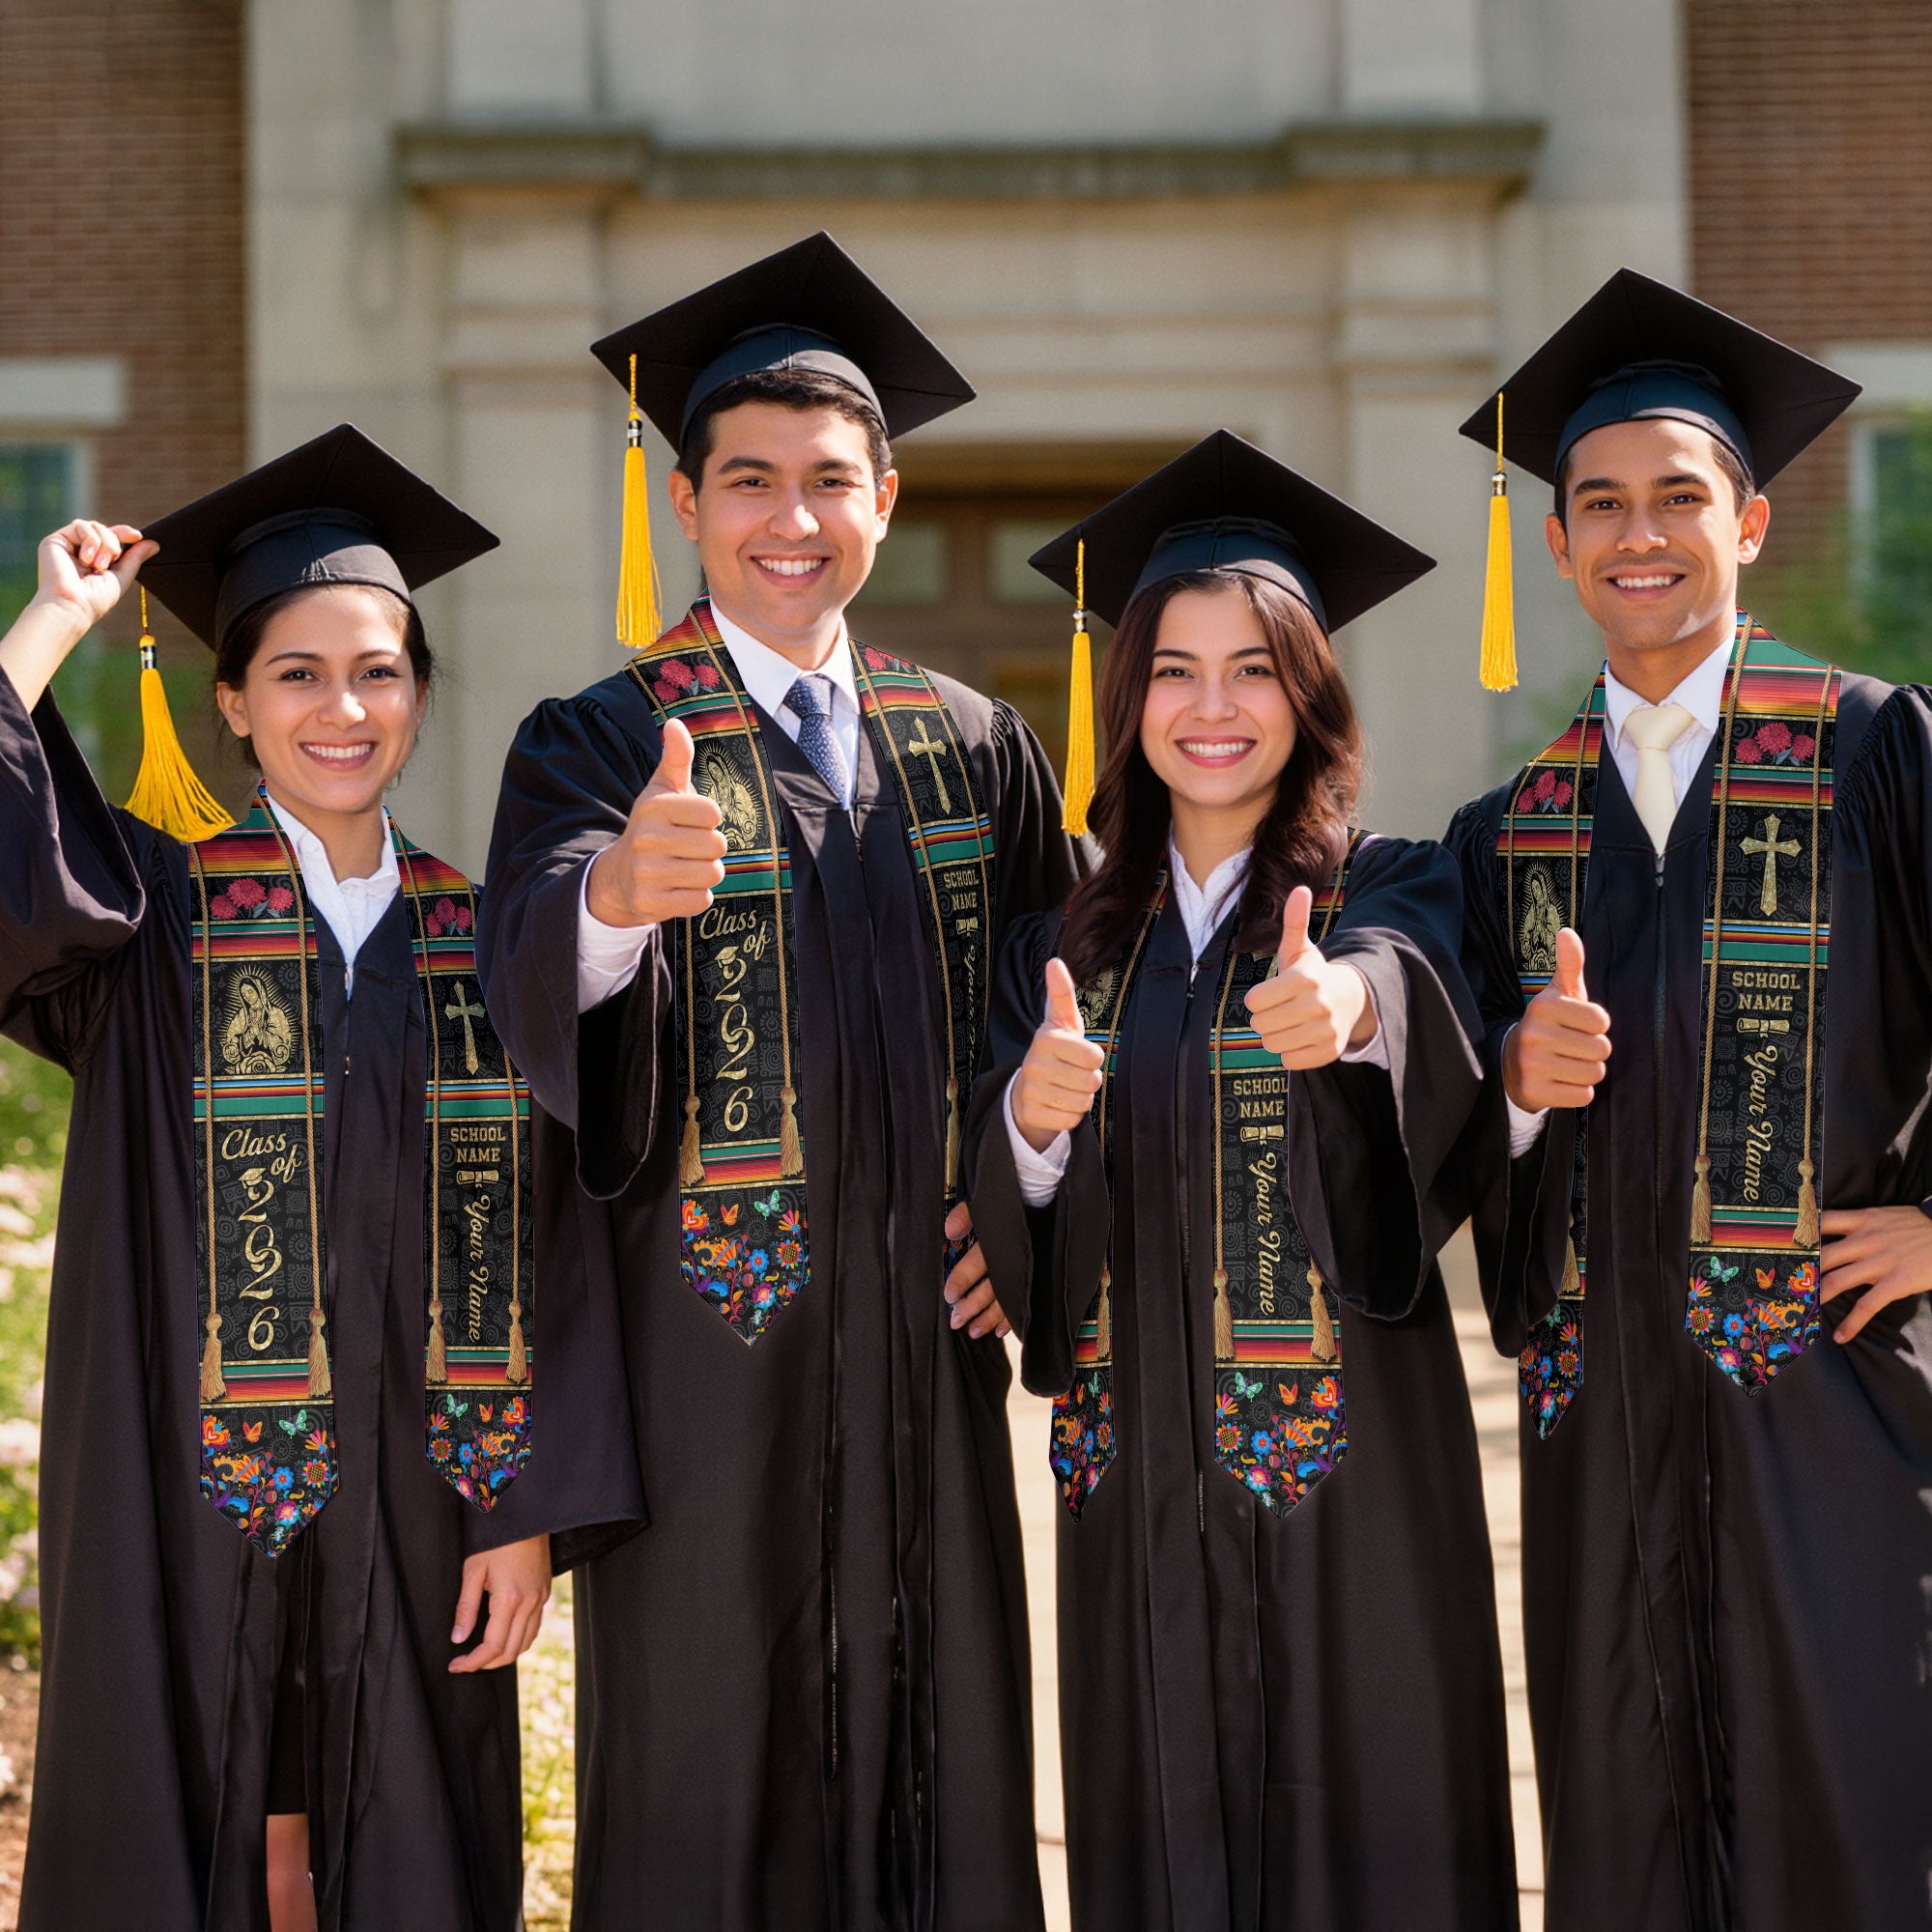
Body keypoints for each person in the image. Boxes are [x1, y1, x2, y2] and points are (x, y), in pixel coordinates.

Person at [477, 233, 1083, 1931]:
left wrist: (1026, 1208)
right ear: (687, 503)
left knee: (943, 1766)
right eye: (749, 482)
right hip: (707, 1376)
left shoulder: (970, 740)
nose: (790, 519)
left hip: (923, 1364)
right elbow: (522, 964)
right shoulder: (599, 739)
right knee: (709, 1784)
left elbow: (1076, 1013)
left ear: (886, 497)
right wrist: (609, 900)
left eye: (830, 481)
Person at [0, 425, 640, 1932]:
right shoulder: (149, 921)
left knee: (407, 1840)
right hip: (183, 1488)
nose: (341, 708)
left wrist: (527, 1509)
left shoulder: (490, 942)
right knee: (194, 1815)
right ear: (231, 701)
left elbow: (563, 1244)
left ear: (419, 694)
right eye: (295, 673)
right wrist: (51, 624)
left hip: (429, 1498)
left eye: (378, 671)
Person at [966, 432, 1518, 1932]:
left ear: (1311, 693)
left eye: (1256, 668)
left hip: (1356, 1483)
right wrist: (1026, 1117)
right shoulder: (1065, 946)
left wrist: (1347, 1013)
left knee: (1377, 1836)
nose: (1214, 709)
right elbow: (1015, 1214)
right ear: (1127, 697)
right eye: (1175, 670)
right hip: (1135, 1478)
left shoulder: (1391, 884)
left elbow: (1412, 993)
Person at [1446, 270, 1932, 1931]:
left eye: (1677, 497)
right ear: (1562, 543)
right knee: (1624, 1823)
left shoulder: (1875, 752)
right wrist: (1512, 1089)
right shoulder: (1510, 829)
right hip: (1603, 1430)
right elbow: (1443, 1136)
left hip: (1837, 1407)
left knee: (1854, 1810)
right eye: (1599, 504)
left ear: (1752, 520)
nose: (1637, 534)